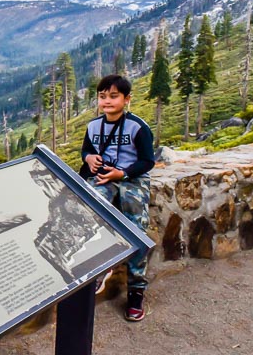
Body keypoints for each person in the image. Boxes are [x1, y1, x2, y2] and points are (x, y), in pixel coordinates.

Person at [80, 74, 154, 322]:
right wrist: (89, 158)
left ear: (126, 99)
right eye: (103, 96)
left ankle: (136, 290)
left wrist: (122, 173)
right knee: (93, 212)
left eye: (114, 96)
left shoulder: (138, 127)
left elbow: (147, 161)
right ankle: (102, 266)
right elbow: (87, 150)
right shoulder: (93, 127)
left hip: (131, 178)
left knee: (136, 226)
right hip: (103, 178)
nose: (107, 101)